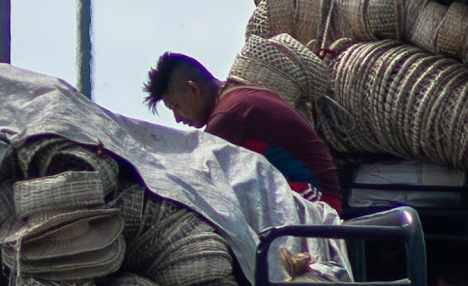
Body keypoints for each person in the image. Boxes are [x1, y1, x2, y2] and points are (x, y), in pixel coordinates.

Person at [145, 52, 347, 212]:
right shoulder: (237, 92)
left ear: (192, 89)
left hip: (316, 201)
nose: (177, 118)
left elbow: (200, 179)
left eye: (175, 106)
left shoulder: (229, 114)